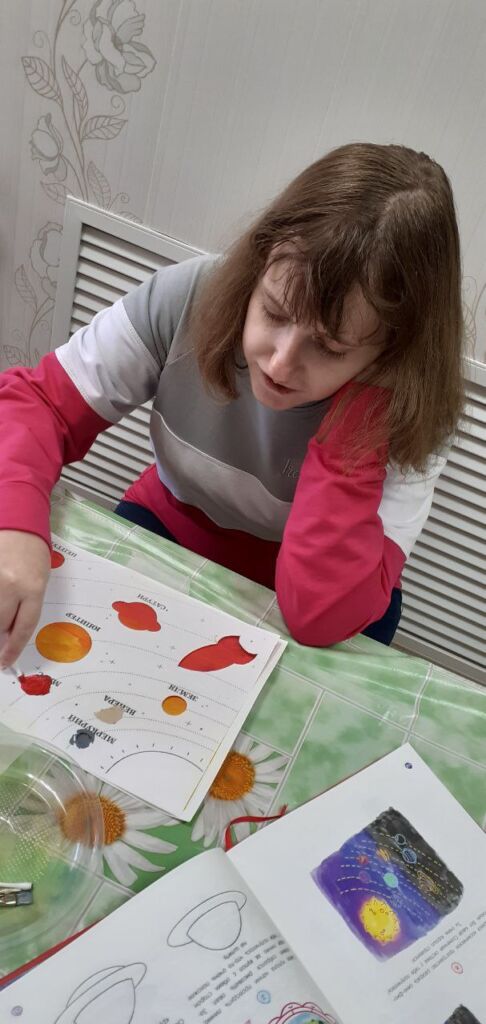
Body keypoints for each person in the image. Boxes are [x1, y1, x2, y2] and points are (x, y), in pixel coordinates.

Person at [0, 142, 464, 666]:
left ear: (393, 354)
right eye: (273, 311)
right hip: (175, 521)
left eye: (330, 347)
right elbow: (39, 402)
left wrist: (356, 430)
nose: (280, 363)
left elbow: (319, 613)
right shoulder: (190, 295)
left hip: (330, 591)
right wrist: (13, 524)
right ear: (259, 262)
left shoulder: (412, 406)